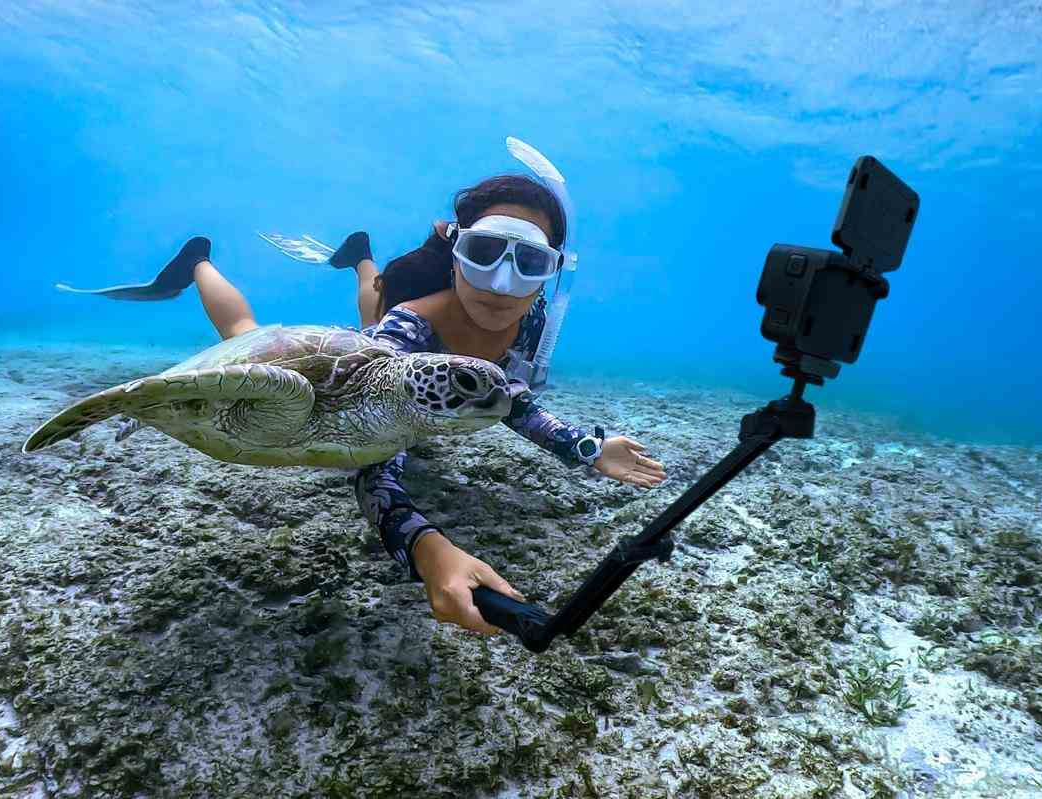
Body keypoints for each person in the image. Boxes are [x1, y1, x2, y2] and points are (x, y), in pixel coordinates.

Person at [57, 174, 667, 638]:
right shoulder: (406, 334)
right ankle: (198, 263)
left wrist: (587, 448)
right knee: (251, 333)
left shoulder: (530, 318)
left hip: (411, 351)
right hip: (389, 337)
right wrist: (428, 549)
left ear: (551, 271)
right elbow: (375, 462)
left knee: (374, 302)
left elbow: (511, 399)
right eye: (485, 253)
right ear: (457, 249)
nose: (504, 283)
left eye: (529, 262)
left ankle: (360, 255)